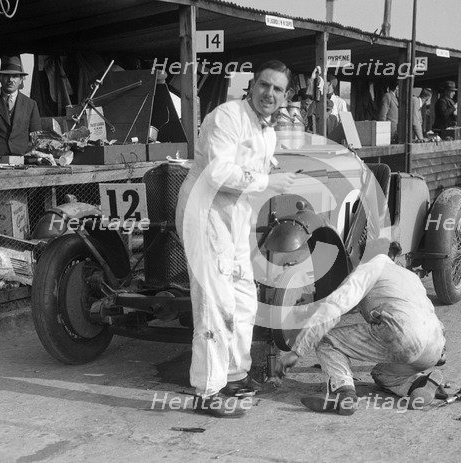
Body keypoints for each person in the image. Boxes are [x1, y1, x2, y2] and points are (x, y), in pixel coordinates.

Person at [175, 60, 297, 418]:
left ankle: (233, 373)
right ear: (251, 86)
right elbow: (218, 172)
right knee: (215, 302)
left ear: (285, 96)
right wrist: (266, 182)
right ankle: (207, 390)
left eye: (277, 89)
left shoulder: (267, 132)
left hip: (235, 221)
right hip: (204, 215)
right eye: (263, 85)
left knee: (244, 300)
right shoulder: (225, 117)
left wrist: (268, 169)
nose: (269, 94)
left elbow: (253, 169)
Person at [276, 240, 446, 415]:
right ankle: (420, 384)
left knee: (327, 341)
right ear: (393, 255)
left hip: (405, 337)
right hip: (435, 346)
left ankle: (343, 393)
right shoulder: (410, 277)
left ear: (360, 257)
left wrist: (298, 350)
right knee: (383, 375)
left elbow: (334, 307)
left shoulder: (369, 268)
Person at [0, 56, 41, 157]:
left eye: (15, 76)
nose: (10, 80)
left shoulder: (31, 104)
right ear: (0, 78)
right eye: (6, 75)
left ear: (21, 80)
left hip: (22, 159)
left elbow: (36, 137)